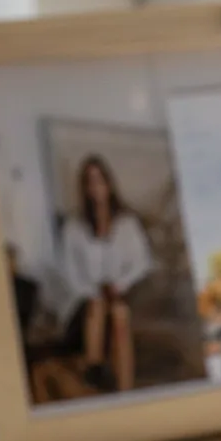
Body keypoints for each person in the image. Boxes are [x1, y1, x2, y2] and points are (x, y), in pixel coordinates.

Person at [56, 155, 154, 392]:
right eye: (90, 181)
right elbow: (69, 270)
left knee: (119, 314)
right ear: (84, 188)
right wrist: (91, 292)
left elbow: (143, 262)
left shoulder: (127, 223)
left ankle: (124, 388)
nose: (96, 186)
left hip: (124, 290)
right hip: (88, 297)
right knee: (97, 306)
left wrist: (120, 284)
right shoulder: (74, 227)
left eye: (100, 179)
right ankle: (95, 365)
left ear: (109, 183)